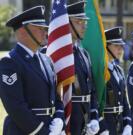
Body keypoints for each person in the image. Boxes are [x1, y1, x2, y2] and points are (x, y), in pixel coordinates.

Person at [0, 6, 65, 135]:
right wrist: (43, 132)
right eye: (40, 29)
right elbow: (16, 107)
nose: (45, 33)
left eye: (45, 29)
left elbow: (57, 97)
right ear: (23, 31)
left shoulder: (47, 60)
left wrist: (59, 118)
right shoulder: (10, 62)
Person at [67, 1, 99, 135]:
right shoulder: (53, 54)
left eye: (84, 22)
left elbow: (92, 89)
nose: (84, 26)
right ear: (66, 24)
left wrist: (94, 116)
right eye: (79, 22)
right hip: (68, 118)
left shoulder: (84, 53)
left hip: (85, 118)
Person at [98, 27, 132, 135]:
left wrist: (128, 123)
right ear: (106, 46)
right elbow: (96, 102)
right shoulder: (100, 71)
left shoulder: (119, 70)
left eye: (121, 46)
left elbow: (124, 101)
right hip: (106, 126)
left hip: (120, 126)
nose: (120, 49)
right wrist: (102, 127)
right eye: (116, 46)